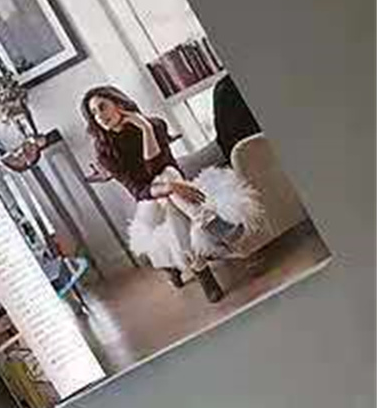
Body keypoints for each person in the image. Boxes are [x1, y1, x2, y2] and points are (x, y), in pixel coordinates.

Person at [81, 84, 262, 303]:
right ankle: (210, 221)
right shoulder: (104, 152)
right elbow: (137, 190)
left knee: (168, 187)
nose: (99, 116)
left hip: (171, 181)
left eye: (102, 107)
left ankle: (201, 272)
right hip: (150, 197)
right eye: (94, 113)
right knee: (168, 188)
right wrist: (169, 188)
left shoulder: (155, 125)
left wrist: (145, 128)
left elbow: (157, 167)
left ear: (118, 104)